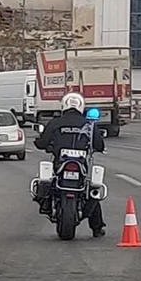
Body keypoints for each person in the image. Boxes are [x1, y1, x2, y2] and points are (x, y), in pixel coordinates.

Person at [32, 92, 107, 237]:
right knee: (90, 191)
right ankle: (97, 228)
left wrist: (41, 143)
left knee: (47, 182)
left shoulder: (55, 122)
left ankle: (46, 205)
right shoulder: (88, 124)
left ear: (64, 105)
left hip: (60, 163)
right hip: (81, 165)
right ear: (81, 106)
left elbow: (42, 143)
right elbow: (99, 144)